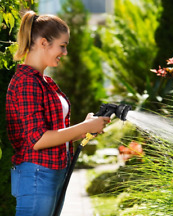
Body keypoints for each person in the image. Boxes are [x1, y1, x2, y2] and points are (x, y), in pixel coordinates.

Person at [6, 10, 110, 216]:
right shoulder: (27, 82)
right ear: (44, 43)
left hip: (51, 173)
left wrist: (83, 129)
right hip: (37, 175)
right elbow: (38, 139)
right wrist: (85, 127)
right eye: (62, 46)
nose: (65, 52)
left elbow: (54, 131)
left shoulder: (45, 82)